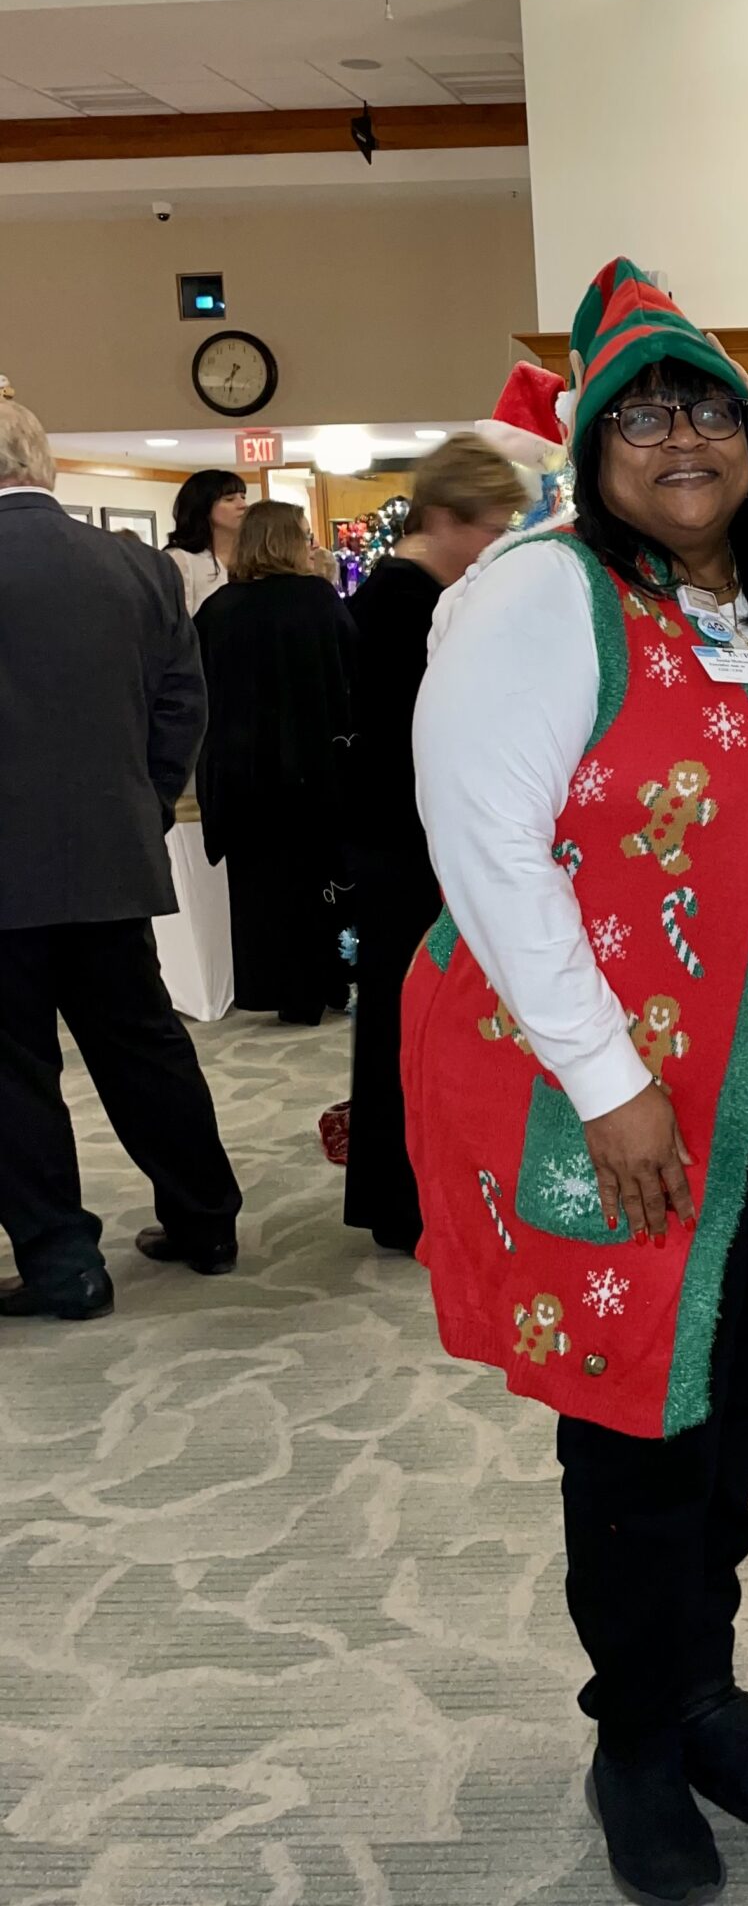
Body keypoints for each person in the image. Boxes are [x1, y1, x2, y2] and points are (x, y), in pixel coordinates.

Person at [404, 262, 748, 1906]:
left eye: (712, 411)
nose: (684, 437)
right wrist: (609, 1082)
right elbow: (487, 854)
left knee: (726, 1402)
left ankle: (695, 1682)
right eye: (647, 412)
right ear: (597, 443)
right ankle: (634, 1731)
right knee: (634, 1418)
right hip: (654, 1101)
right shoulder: (544, 596)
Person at [0, 383, 243, 1316]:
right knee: (143, 1046)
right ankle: (205, 1220)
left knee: (14, 1073)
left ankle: (65, 1263)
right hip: (111, 851)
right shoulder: (137, 568)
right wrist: (138, 795)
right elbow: (186, 703)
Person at [342, 434, 526, 1253]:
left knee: (412, 1017)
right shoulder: (404, 602)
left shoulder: (409, 593)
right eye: (490, 528)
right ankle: (407, 1197)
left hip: (406, 839)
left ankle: (409, 1194)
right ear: (445, 517)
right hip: (407, 845)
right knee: (411, 1022)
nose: (496, 546)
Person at [194, 501, 356, 1025]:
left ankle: (280, 987)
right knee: (319, 883)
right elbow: (350, 678)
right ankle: (329, 980)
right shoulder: (317, 601)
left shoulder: (218, 610)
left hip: (243, 776)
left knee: (260, 891)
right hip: (314, 770)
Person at [165, 467, 249, 617]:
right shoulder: (181, 559)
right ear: (203, 507)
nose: (243, 505)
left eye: (243, 497)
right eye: (229, 499)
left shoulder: (250, 557)